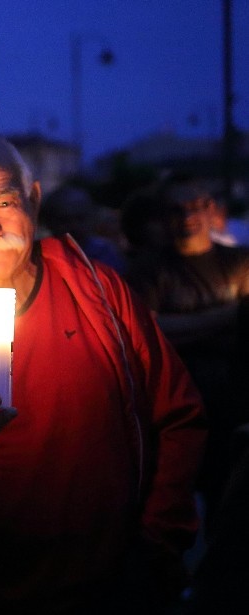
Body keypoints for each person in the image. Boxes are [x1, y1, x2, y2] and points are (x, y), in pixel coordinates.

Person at [0, 137, 207, 614]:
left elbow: (179, 415)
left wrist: (157, 544)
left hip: (119, 581)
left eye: (4, 202)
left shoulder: (98, 290)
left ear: (34, 201)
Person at [126, 172, 249, 530]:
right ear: (164, 217)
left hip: (231, 401)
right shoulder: (148, 270)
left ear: (213, 210)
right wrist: (230, 316)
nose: (188, 216)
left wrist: (183, 327)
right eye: (177, 209)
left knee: (226, 500)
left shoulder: (239, 261)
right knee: (168, 500)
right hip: (171, 403)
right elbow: (147, 332)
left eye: (197, 206)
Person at [40, 184, 127, 274]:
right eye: (64, 220)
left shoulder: (105, 253)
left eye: (79, 218)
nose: (73, 226)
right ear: (49, 222)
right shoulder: (39, 256)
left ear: (91, 218)